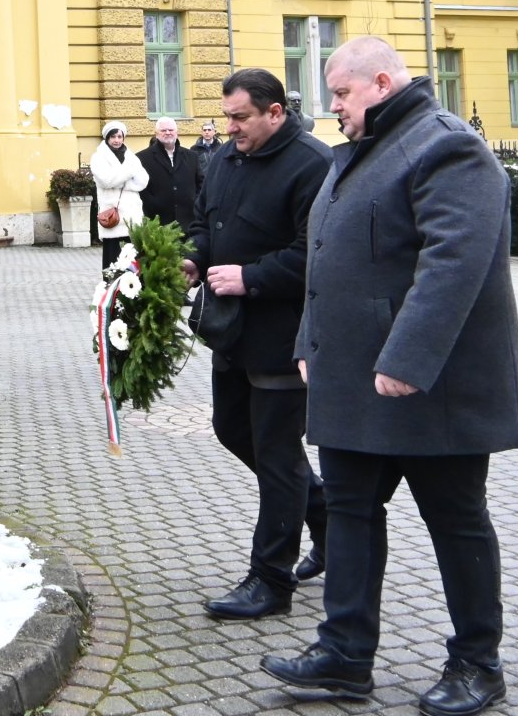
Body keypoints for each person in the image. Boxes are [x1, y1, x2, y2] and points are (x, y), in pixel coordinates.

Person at [263, 38, 518, 716]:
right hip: (353, 379)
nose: (332, 108)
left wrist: (408, 360)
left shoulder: (446, 145)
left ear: (381, 82)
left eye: (342, 94)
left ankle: (478, 663)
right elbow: (327, 260)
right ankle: (344, 655)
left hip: (429, 385)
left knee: (456, 520)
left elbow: (453, 264)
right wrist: (308, 342)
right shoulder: (358, 151)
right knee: (351, 513)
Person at [180, 69, 332, 622]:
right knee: (234, 430)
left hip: (285, 337)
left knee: (277, 454)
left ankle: (271, 581)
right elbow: (203, 222)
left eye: (241, 117)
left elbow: (316, 254)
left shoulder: (314, 165)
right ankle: (328, 516)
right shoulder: (223, 157)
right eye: (228, 117)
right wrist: (193, 259)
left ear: (275, 112)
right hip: (232, 332)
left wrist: (251, 276)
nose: (231, 127)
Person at [89, 122, 148, 269]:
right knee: (112, 262)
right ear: (107, 138)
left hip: (132, 218)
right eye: (113, 137)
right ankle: (112, 291)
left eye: (119, 136)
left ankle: (131, 291)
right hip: (113, 217)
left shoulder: (131, 156)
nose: (117, 140)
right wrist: (128, 173)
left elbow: (143, 181)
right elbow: (105, 180)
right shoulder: (98, 157)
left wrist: (120, 181)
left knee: (133, 263)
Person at [137, 117, 199, 233]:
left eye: (171, 130)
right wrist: (153, 202)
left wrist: (195, 202)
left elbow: (201, 184)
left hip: (188, 222)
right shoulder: (142, 158)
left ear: (177, 132)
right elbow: (140, 187)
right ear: (156, 134)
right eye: (163, 130)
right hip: (157, 222)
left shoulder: (192, 156)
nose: (168, 133)